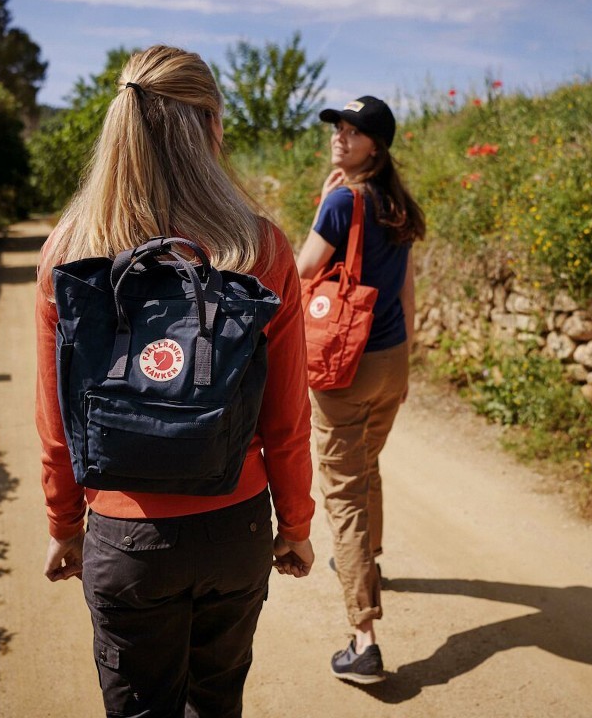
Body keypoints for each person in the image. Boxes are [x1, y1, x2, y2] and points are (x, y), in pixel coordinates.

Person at [35, 45, 315, 718]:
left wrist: (64, 522)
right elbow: (286, 415)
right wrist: (296, 523)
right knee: (216, 703)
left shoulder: (71, 250)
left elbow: (58, 421)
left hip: (125, 539)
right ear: (211, 126)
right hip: (235, 527)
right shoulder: (259, 246)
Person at [296, 96, 425, 684]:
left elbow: (302, 270)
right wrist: (408, 362)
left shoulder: (343, 200)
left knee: (343, 491)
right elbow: (406, 290)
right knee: (366, 462)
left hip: (343, 363)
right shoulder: (396, 202)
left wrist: (324, 202)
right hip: (391, 358)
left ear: (377, 144)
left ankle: (363, 637)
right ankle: (367, 562)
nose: (340, 137)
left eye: (353, 131)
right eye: (338, 128)